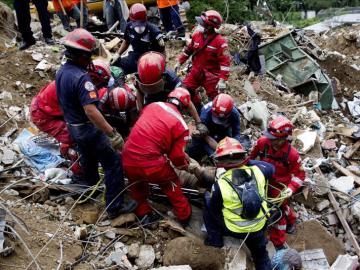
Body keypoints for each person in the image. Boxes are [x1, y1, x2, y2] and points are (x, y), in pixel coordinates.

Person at [56, 29, 136, 218]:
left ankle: (88, 183)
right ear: (82, 55)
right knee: (113, 161)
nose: (90, 60)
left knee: (88, 156)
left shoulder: (62, 72)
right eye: (88, 55)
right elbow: (91, 110)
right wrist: (111, 133)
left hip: (73, 126)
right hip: (86, 127)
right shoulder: (82, 79)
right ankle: (114, 206)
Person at [122, 88, 195, 225]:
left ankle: (143, 214)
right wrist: (186, 166)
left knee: (137, 185)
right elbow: (177, 157)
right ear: (184, 107)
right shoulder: (181, 125)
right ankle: (184, 215)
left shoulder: (153, 105)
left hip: (128, 156)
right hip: (151, 162)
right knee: (171, 183)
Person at [30, 59, 112, 176]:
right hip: (43, 114)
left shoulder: (78, 78)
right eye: (99, 84)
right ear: (94, 79)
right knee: (77, 138)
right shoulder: (79, 85)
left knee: (83, 133)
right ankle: (79, 172)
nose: (99, 88)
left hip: (50, 109)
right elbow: (88, 113)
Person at [203, 137, 274, 270]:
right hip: (259, 226)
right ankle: (262, 262)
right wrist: (247, 162)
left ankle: (215, 239)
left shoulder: (220, 185)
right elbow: (271, 168)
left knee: (207, 200)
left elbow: (215, 209)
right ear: (243, 157)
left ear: (220, 161)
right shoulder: (259, 172)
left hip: (234, 229)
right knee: (261, 256)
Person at [248, 115, 305, 250]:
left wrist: (291, 188)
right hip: (263, 181)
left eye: (274, 139)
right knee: (274, 205)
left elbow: (300, 174)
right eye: (270, 137)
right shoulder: (262, 143)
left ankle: (278, 241)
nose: (270, 140)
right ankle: (292, 218)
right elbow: (249, 158)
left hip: (280, 187)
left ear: (284, 138)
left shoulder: (292, 155)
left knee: (277, 212)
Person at [175, 10, 230, 111]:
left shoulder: (220, 42)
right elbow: (188, 50)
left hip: (211, 75)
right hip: (196, 71)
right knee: (185, 89)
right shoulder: (196, 36)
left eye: (202, 23)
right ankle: (198, 106)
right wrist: (179, 62)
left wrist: (222, 80)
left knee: (215, 101)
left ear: (209, 26)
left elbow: (225, 63)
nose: (198, 24)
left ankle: (210, 114)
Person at [134, 51, 204, 128]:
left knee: (189, 91)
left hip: (169, 96)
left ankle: (200, 111)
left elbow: (185, 98)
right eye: (149, 86)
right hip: (151, 98)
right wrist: (141, 113)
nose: (152, 87)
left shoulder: (172, 78)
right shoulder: (140, 78)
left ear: (163, 76)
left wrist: (198, 122)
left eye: (154, 85)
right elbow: (139, 92)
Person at [188, 94, 250, 161]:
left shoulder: (234, 114)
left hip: (224, 128)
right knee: (198, 141)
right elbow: (205, 136)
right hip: (208, 128)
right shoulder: (205, 113)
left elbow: (236, 133)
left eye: (221, 119)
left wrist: (233, 147)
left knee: (229, 142)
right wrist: (216, 152)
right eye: (217, 117)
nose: (218, 120)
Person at [112, 3, 165, 75]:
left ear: (146, 18)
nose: (138, 25)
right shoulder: (129, 27)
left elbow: (162, 52)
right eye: (136, 23)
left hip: (150, 60)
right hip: (135, 58)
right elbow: (126, 41)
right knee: (116, 64)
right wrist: (117, 54)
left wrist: (161, 66)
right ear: (131, 20)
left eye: (141, 22)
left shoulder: (154, 31)